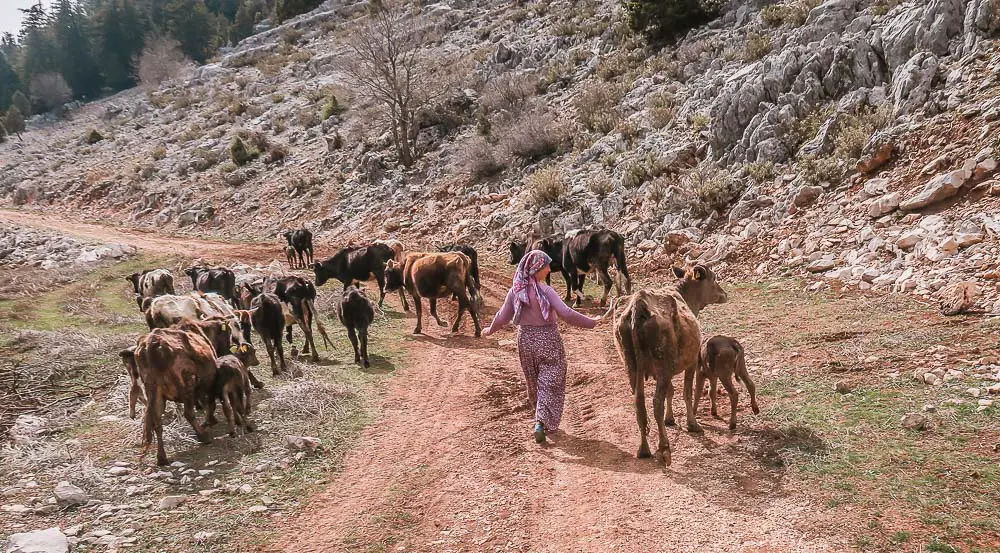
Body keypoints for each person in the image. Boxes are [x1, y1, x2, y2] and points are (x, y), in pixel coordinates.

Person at [483, 250, 612, 444]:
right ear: (536, 269)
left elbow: (503, 315)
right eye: (546, 266)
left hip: (525, 340)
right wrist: (592, 322)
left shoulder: (516, 291)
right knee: (550, 381)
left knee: (534, 382)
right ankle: (540, 422)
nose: (550, 269)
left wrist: (490, 330)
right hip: (548, 339)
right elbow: (566, 314)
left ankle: (539, 418)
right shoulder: (546, 291)